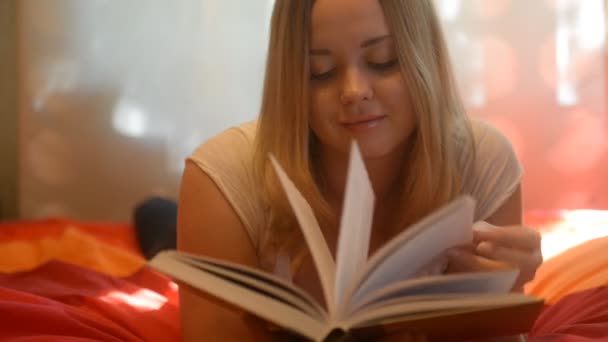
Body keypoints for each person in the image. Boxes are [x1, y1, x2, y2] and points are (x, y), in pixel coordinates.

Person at [177, 0, 543, 341]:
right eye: (319, 71)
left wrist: (506, 290)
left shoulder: (482, 161)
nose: (353, 91)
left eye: (383, 60)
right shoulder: (221, 178)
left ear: (423, 57)